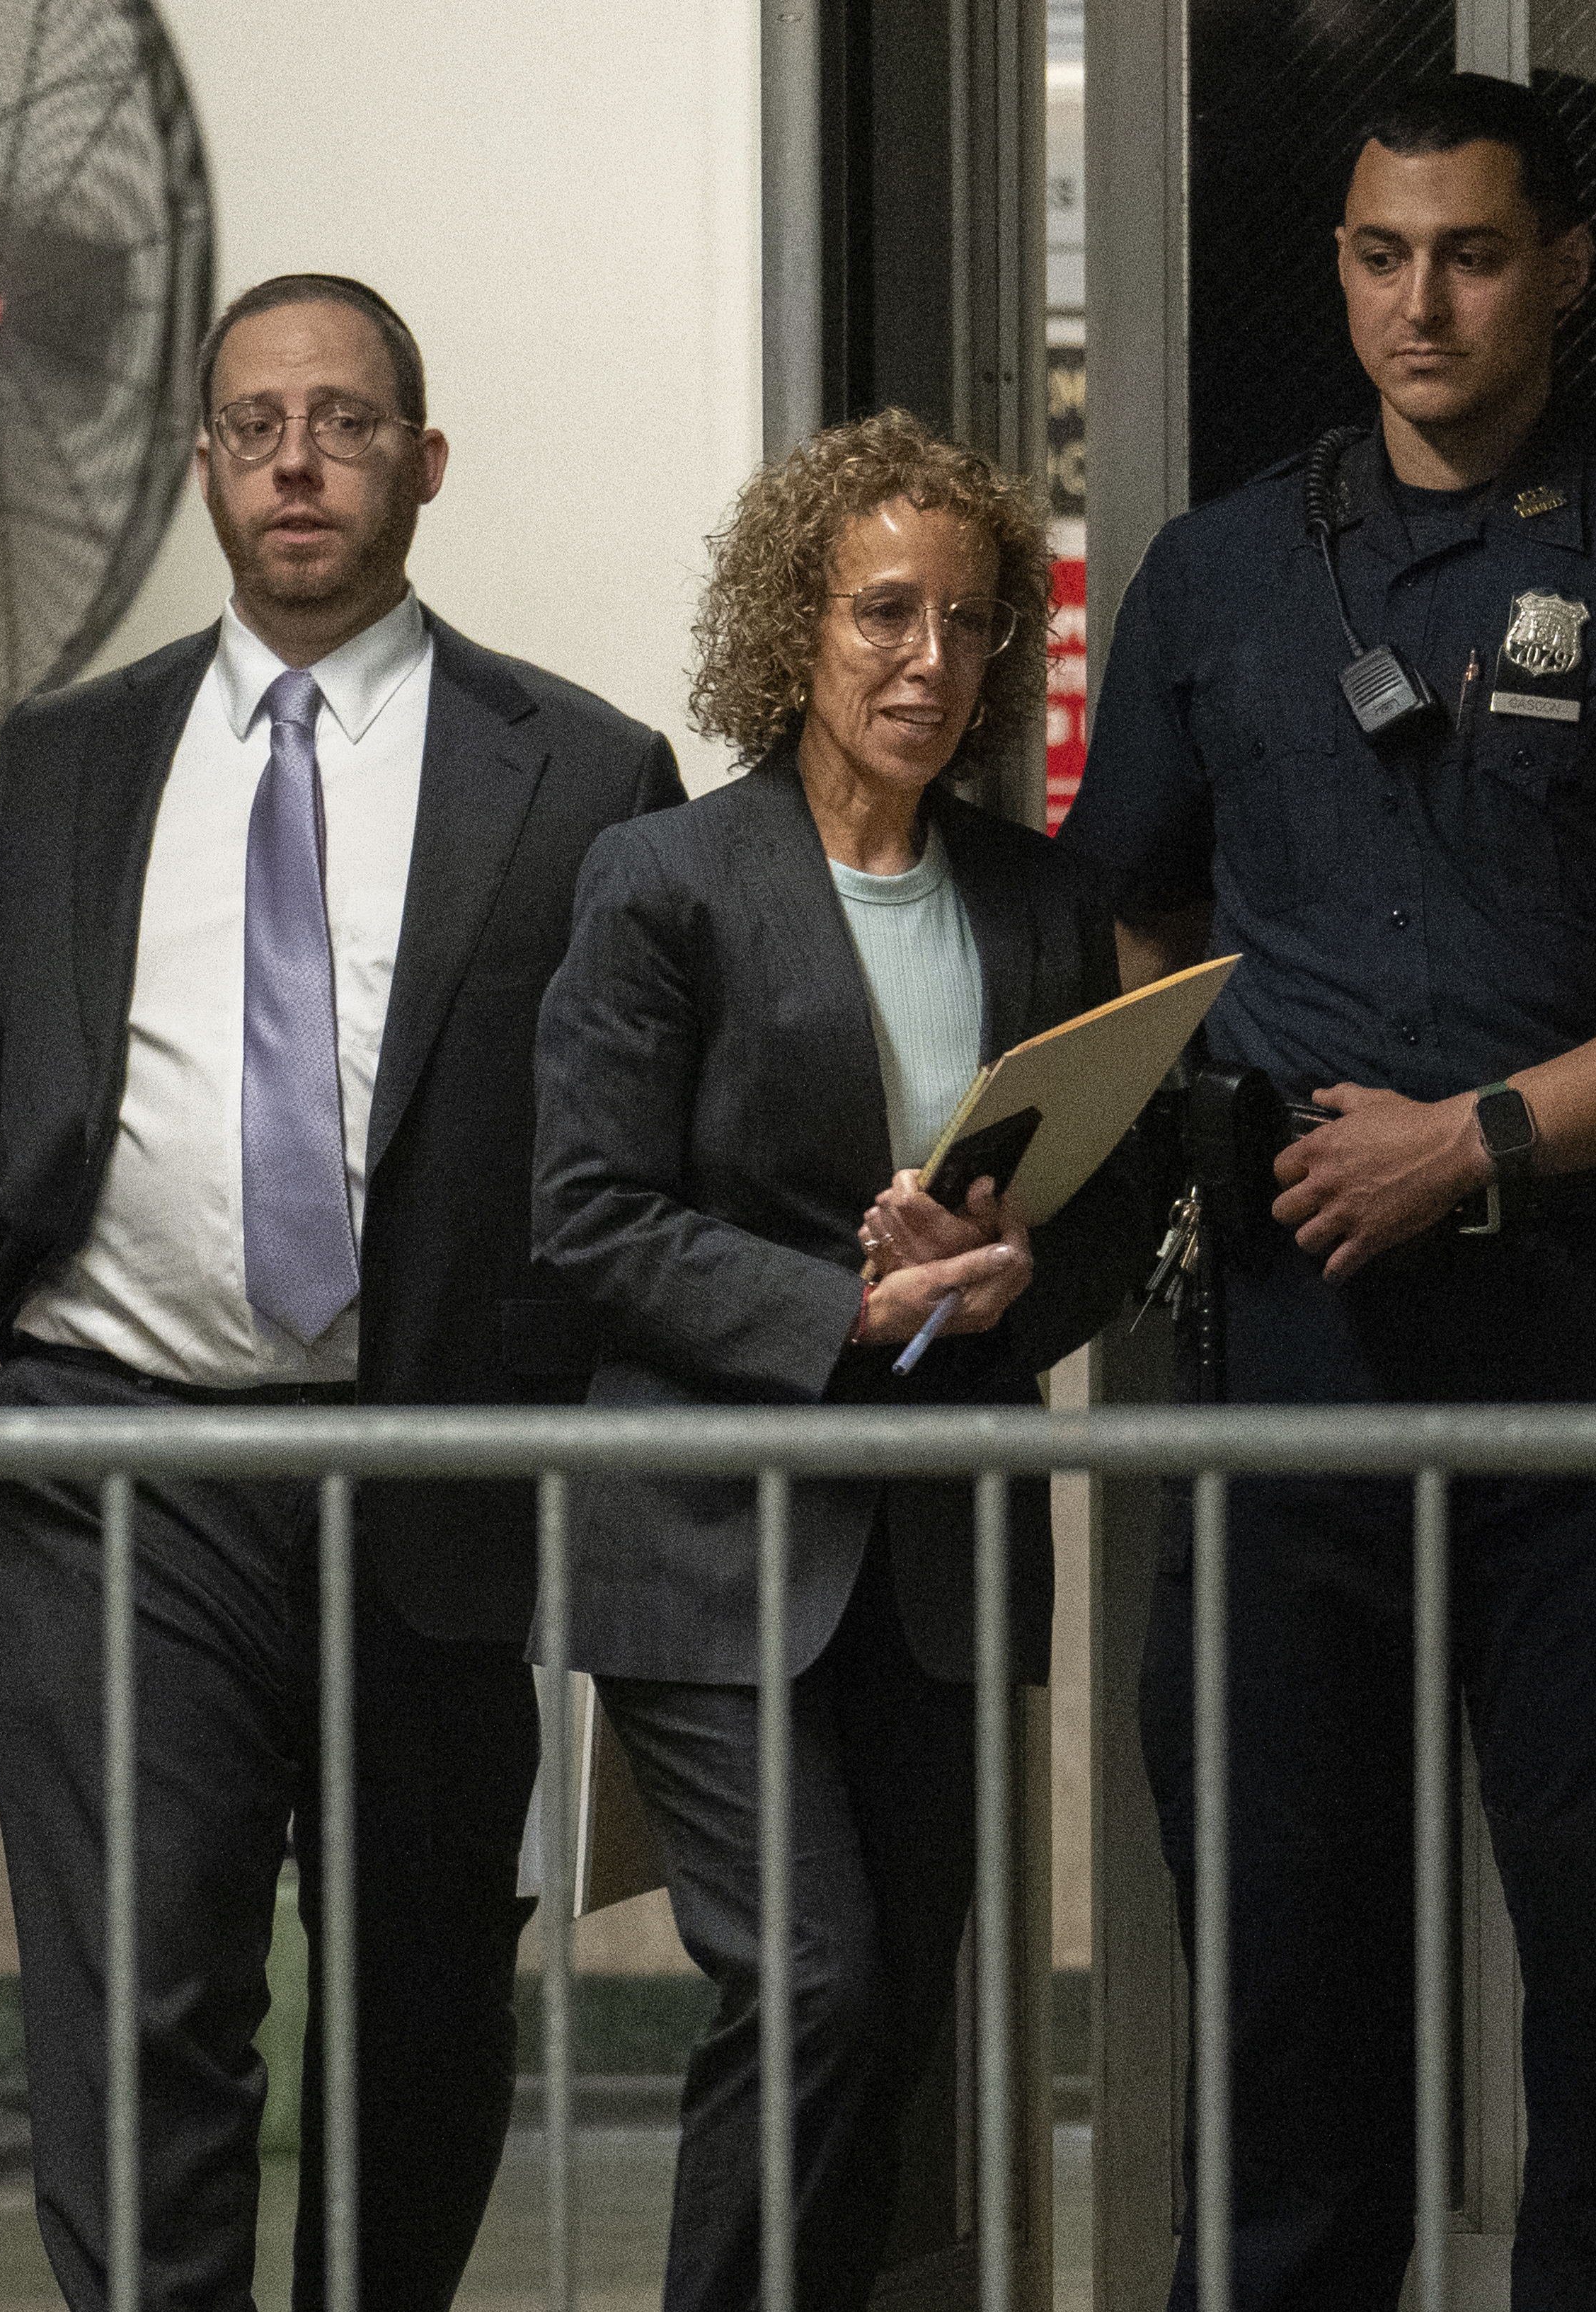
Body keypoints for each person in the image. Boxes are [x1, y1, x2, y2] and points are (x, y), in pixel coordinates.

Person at [1060, 69, 1596, 2311]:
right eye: (1378, 254)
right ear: (1334, 267)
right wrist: (1180, 1136)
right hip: (1284, 1370)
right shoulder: (1218, 575)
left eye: (1474, 252)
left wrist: (1487, 1133)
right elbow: (1127, 910)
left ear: (1566, 268)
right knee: (1284, 2003)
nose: (1421, 303)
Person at [0, 275, 684, 2310]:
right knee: (143, 2008)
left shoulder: (584, 776)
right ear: (203, 467)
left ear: (423, 460)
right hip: (112, 1461)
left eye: (341, 420)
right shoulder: (67, 760)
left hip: (425, 1464)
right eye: (253, 425)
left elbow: (642, 1133)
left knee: (423, 2018)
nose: (297, 459)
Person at [530, 410, 1159, 2312]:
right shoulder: (665, 879)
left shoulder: (1038, 898)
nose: (926, 661)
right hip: (707, 1539)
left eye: (971, 623)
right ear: (790, 624)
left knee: (890, 2026)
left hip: (942, 1551)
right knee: (814, 1979)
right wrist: (842, 1309)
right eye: (884, 611)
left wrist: (1004, 1273)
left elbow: (1105, 1219)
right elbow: (587, 1214)